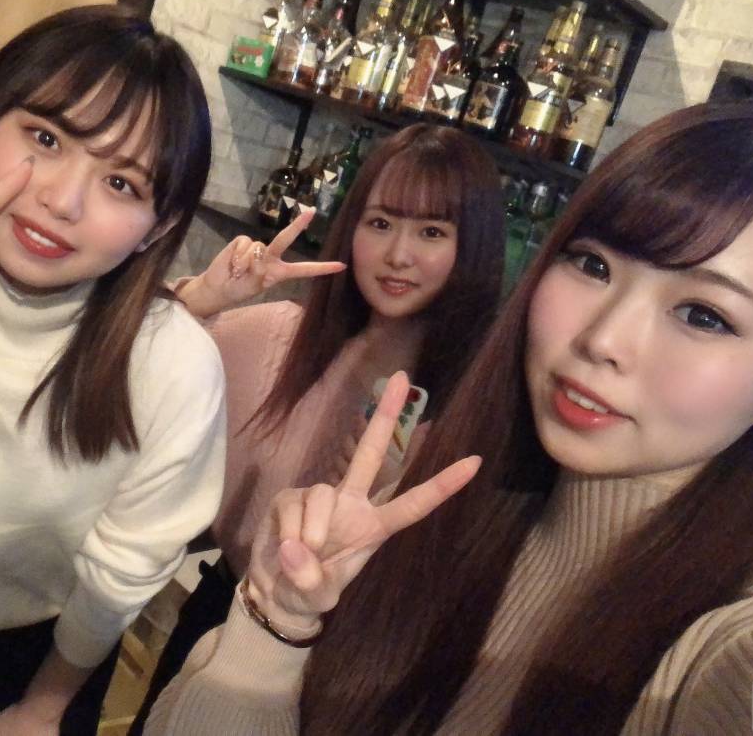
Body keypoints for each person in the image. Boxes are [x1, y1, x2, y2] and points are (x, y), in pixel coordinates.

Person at [145, 100, 753, 735]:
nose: (602, 338)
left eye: (704, 314)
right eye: (593, 265)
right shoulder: (435, 516)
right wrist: (277, 623)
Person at [0, 5, 225, 736]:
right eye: (46, 137)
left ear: (158, 226)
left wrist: (42, 708)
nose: (62, 200)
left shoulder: (172, 365)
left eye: (121, 183)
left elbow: (119, 576)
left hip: (29, 664)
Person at [128, 123, 506, 733]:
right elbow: (128, 346)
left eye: (432, 231)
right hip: (227, 624)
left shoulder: (478, 412)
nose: (398, 254)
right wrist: (208, 294)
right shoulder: (278, 337)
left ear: (475, 248)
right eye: (380, 222)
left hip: (355, 674)